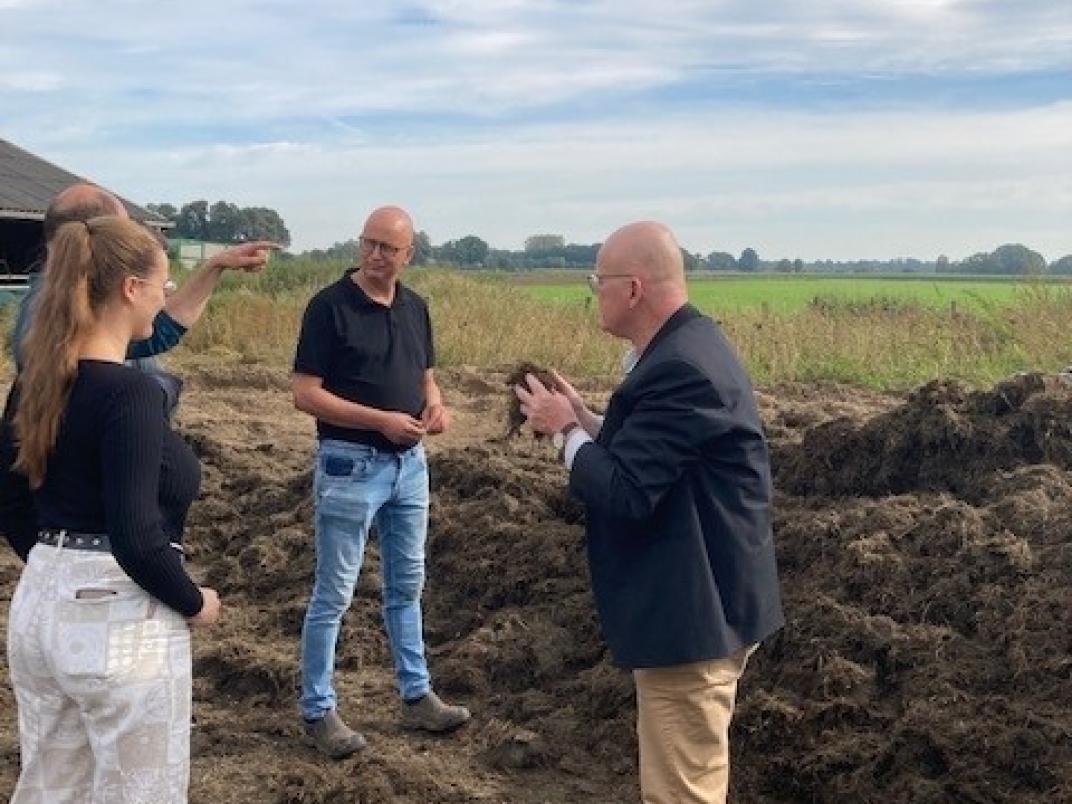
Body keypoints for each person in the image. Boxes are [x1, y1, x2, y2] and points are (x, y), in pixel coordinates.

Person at [515, 221, 784, 804]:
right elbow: (655, 454)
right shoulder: (680, 350)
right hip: (701, 605)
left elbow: (627, 493)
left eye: (598, 280)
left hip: (693, 619)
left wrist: (563, 431)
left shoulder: (679, 368)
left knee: (682, 791)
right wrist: (587, 419)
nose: (594, 292)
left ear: (633, 289)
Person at [0, 216, 222, 802]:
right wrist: (195, 602)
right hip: (120, 623)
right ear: (130, 288)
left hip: (41, 602)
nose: (164, 298)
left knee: (52, 785)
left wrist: (56, 566)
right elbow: (136, 535)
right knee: (139, 792)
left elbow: (10, 499)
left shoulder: (38, 383)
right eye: (162, 286)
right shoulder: (131, 395)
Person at [292, 205, 470, 759]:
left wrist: (434, 408)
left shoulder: (416, 308)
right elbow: (305, 393)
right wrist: (380, 420)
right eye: (368, 243)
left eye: (387, 248)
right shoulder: (328, 308)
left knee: (406, 587)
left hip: (410, 468)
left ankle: (416, 696)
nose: (374, 255)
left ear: (407, 255)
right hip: (350, 465)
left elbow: (426, 377)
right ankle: (318, 709)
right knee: (335, 593)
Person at [11, 183, 276, 401]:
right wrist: (155, 392)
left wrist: (216, 265)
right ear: (96, 234)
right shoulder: (57, 312)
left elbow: (160, 328)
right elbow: (159, 332)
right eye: (123, 232)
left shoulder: (72, 299)